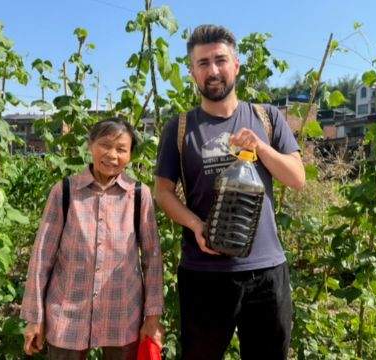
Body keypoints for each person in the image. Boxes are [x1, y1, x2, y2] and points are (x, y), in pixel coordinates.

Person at [154, 24, 305, 359]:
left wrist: (262, 149)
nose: (213, 70)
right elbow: (163, 193)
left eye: (220, 60)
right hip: (203, 274)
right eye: (203, 63)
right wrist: (195, 226)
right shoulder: (179, 128)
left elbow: (296, 178)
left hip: (266, 272)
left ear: (236, 65)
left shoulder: (267, 118)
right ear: (192, 71)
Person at [21, 118, 164, 360]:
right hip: (67, 313)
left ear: (130, 155)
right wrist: (35, 318)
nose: (112, 155)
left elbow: (152, 260)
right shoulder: (65, 191)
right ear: (90, 145)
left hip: (122, 311)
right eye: (105, 145)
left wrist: (152, 319)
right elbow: (41, 257)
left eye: (121, 149)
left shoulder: (139, 195)